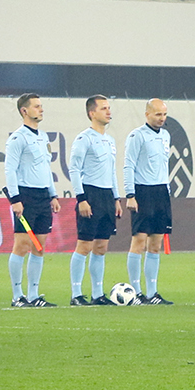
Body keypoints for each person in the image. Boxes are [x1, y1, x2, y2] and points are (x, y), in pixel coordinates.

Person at [3, 93, 56, 308]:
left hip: (43, 196)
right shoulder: (18, 138)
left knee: (39, 246)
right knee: (22, 245)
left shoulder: (43, 137)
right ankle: (18, 296)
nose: (41, 109)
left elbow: (46, 168)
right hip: (26, 196)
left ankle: (34, 295)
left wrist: (52, 194)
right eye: (36, 106)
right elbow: (10, 169)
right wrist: (15, 199)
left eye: (41, 106)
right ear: (24, 111)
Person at [122, 97, 175, 304]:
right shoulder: (137, 136)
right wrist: (130, 194)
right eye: (158, 114)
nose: (162, 118)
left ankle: (152, 292)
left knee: (156, 243)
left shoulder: (166, 135)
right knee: (139, 241)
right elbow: (129, 165)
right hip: (143, 191)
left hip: (161, 191)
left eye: (164, 114)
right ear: (147, 114)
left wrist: (167, 190)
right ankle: (136, 291)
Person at [70, 96, 120, 305]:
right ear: (92, 113)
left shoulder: (110, 140)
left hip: (107, 196)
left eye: (109, 108)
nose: (108, 112)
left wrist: (116, 198)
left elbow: (112, 171)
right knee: (84, 245)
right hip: (90, 194)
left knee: (101, 246)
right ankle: (76, 294)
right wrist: (81, 198)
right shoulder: (84, 139)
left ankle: (98, 294)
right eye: (103, 108)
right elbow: (74, 169)